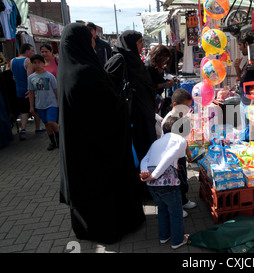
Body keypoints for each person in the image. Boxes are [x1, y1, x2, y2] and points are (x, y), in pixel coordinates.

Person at [58, 23, 145, 244]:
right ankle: (111, 228)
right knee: (102, 187)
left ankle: (86, 229)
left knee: (86, 188)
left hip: (79, 146)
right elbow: (109, 109)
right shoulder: (86, 72)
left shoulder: (67, 70)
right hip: (98, 146)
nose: (94, 43)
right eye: (91, 40)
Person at [104, 30, 158, 200]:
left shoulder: (134, 59)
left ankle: (148, 186)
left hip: (144, 116)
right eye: (140, 42)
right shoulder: (119, 60)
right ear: (130, 43)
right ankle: (139, 189)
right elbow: (108, 87)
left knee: (147, 150)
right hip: (132, 119)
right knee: (138, 152)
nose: (142, 46)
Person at [140, 116, 190, 249]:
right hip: (168, 184)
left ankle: (164, 237)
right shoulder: (181, 140)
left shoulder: (156, 142)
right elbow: (169, 157)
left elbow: (145, 159)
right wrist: (155, 175)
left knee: (162, 210)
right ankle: (178, 240)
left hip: (152, 186)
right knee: (176, 213)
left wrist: (145, 173)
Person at [161, 88, 196, 218]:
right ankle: (176, 207)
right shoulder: (168, 121)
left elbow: (184, 138)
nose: (189, 109)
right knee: (175, 183)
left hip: (180, 157)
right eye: (187, 106)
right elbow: (166, 144)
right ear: (176, 105)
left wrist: (188, 151)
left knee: (183, 180)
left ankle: (183, 200)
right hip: (172, 159)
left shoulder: (181, 117)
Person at [10, 43, 44, 140]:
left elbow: (14, 76)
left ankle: (23, 129)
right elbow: (30, 78)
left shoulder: (12, 61)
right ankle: (38, 128)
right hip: (28, 90)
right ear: (27, 51)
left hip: (18, 90)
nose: (33, 52)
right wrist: (31, 91)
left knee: (24, 111)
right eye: (32, 50)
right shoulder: (28, 61)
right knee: (35, 109)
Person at [27, 54, 59, 151]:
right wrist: (31, 106)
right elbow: (31, 93)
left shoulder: (50, 76)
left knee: (52, 122)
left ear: (43, 63)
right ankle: (52, 141)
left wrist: (59, 103)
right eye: (35, 63)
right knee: (46, 124)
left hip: (52, 104)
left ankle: (59, 138)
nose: (37, 65)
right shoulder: (31, 78)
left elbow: (56, 90)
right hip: (40, 105)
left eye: (39, 62)